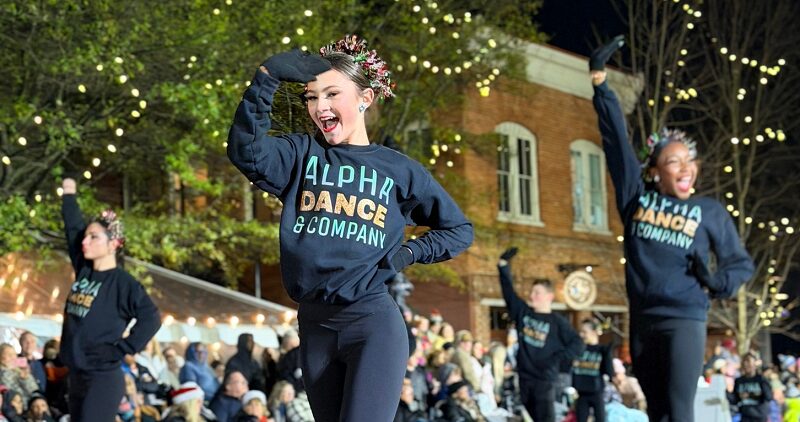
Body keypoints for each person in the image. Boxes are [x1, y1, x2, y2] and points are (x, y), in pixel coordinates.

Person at [227, 34, 473, 422]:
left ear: (365, 98)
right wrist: (267, 77)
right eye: (311, 97)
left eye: (331, 94)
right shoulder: (301, 155)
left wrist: (409, 253)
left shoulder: (399, 169)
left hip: (371, 324)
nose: (319, 106)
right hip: (314, 328)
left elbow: (458, 229)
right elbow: (247, 151)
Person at [589, 36, 754, 422]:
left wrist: (715, 282)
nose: (685, 167)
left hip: (685, 318)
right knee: (658, 413)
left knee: (680, 412)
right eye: (673, 161)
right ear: (654, 172)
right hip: (643, 319)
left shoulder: (709, 211)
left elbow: (740, 264)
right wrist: (600, 84)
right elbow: (616, 144)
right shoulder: (636, 199)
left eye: (688, 161)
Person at [59, 177, 162, 421]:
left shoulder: (124, 284)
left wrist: (122, 348)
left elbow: (151, 318)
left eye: (93, 237)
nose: (85, 241)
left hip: (102, 378)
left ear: (113, 243)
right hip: (77, 375)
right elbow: (72, 228)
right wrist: (69, 194)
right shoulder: (84, 269)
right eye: (86, 236)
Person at [497, 248, 584, 422]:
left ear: (549, 296)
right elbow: (509, 293)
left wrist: (556, 359)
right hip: (524, 378)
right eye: (532, 292)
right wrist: (503, 265)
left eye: (537, 292)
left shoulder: (557, 322)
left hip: (544, 380)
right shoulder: (524, 313)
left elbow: (578, 344)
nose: (532, 296)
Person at [572, 319, 613, 422]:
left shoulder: (602, 350)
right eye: (580, 332)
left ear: (594, 332)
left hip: (596, 391)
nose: (581, 335)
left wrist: (607, 354)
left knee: (600, 418)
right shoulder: (578, 349)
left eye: (584, 332)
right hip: (581, 392)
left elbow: (609, 372)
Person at [730, 353, 772, 422]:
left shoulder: (761, 379)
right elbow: (735, 400)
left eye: (748, 362)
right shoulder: (739, 381)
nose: (746, 365)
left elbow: (769, 397)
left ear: (754, 364)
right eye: (744, 362)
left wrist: (750, 395)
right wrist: (726, 393)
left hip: (759, 416)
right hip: (745, 416)